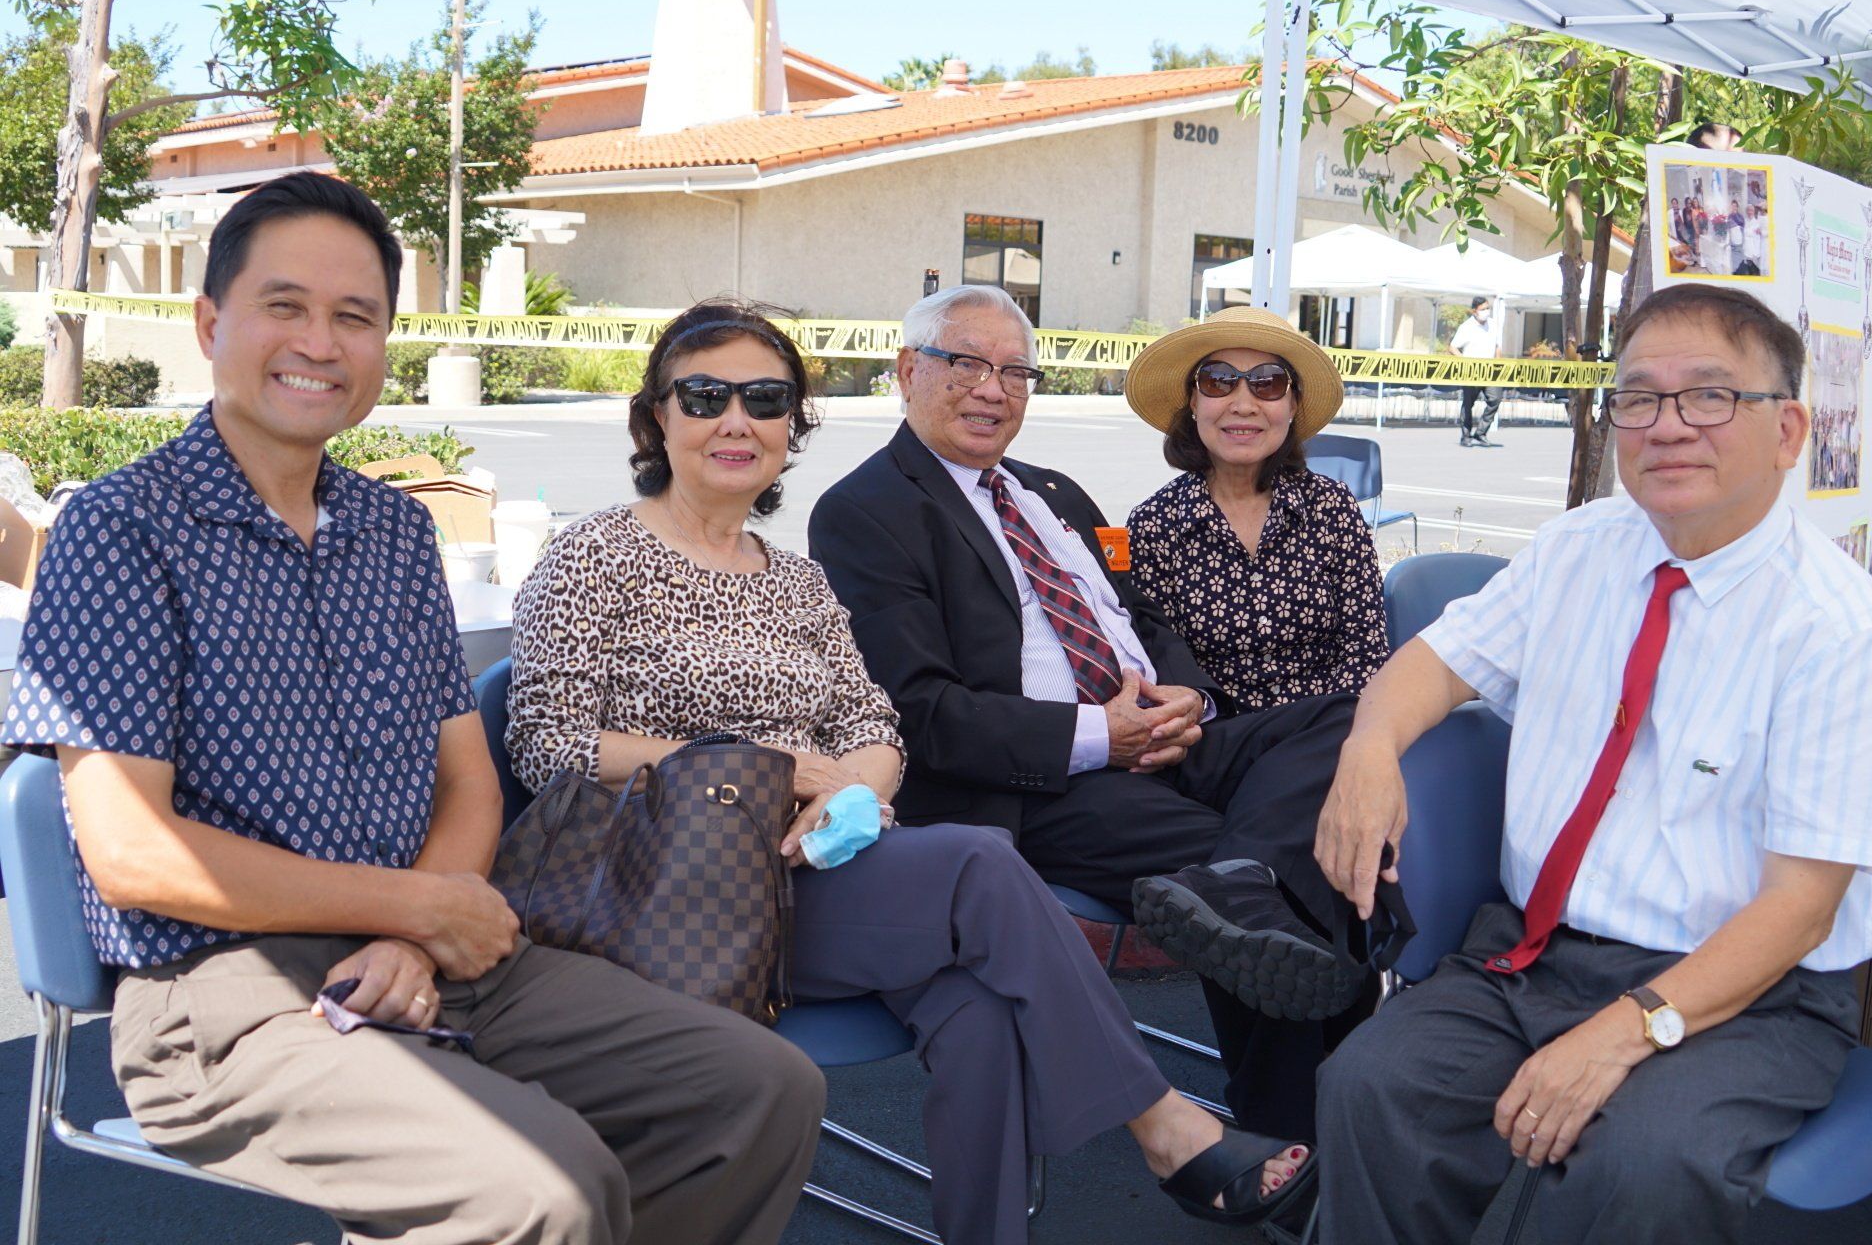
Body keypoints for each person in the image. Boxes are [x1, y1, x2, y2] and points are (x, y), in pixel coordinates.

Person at [0, 173, 827, 1245]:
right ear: (210, 323)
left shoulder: (394, 534)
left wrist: (417, 930)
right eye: (285, 306)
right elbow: (135, 855)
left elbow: (467, 781)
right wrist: (415, 910)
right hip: (224, 988)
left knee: (759, 1088)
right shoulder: (121, 530)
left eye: (355, 317)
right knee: (548, 1185)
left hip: (433, 951)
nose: (320, 343)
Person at [506, 298, 1316, 1243]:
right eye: (705, 396)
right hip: (667, 885)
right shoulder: (594, 555)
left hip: (806, 875)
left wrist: (855, 784)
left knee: (980, 1013)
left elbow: (873, 721)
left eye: (765, 400)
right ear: (656, 417)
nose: (737, 420)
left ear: (790, 428)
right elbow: (548, 742)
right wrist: (761, 766)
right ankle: (1168, 1128)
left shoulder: (793, 578)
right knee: (979, 861)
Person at [1311, 282, 1872, 1243]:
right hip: (1532, 950)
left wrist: (1623, 1030)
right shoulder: (1579, 549)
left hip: (1745, 993)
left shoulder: (1837, 630)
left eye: (1711, 395)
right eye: (1639, 397)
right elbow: (1431, 664)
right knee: (1372, 1087)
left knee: (1642, 1163)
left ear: (1788, 430)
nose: (1667, 426)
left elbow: (1801, 909)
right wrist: (1369, 750)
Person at [809, 283, 1371, 1153]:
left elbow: (1143, 619)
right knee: (1281, 883)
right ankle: (1296, 1140)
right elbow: (922, 714)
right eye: (967, 364)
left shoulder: (1054, 491)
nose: (993, 390)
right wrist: (1101, 736)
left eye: (1015, 372)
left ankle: (1244, 886)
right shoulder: (866, 511)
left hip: (1164, 736)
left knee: (1348, 720)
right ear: (908, 370)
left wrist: (1189, 696)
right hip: (1041, 780)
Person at [1124, 305, 1389, 712]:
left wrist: (1324, 728)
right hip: (1214, 734)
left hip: (1327, 728)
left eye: (1268, 383)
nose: (1243, 405)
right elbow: (1162, 667)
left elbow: (1366, 652)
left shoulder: (1332, 507)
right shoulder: (1154, 524)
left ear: (1293, 405)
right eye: (1218, 382)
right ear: (1193, 401)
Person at [1449, 296, 1501, 447]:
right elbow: (1452, 347)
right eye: (1483, 309)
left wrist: (1498, 365)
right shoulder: (1466, 327)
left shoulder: (1493, 325)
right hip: (1471, 371)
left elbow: (1497, 346)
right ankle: (1466, 436)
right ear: (1474, 311)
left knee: (1495, 399)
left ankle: (1481, 433)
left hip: (1490, 371)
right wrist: (1466, 361)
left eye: (1487, 308)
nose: (1486, 311)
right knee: (1468, 404)